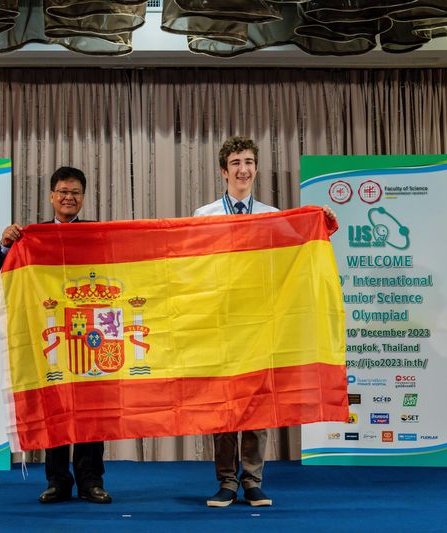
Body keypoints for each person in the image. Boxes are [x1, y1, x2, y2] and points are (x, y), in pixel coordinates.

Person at [194, 136, 335, 508]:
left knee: (258, 405)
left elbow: (298, 252)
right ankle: (226, 481)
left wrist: (318, 223)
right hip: (221, 323)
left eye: (249, 162)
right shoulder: (203, 216)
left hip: (260, 324)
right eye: (236, 162)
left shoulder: (273, 215)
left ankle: (253, 480)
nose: (243, 169)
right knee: (224, 406)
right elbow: (192, 270)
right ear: (224, 171)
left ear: (256, 169)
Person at [0, 166, 111, 505]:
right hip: (51, 333)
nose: (69, 197)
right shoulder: (33, 235)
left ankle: (91, 482)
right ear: (51, 196)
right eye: (63, 191)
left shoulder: (98, 233)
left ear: (83, 198)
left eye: (75, 192)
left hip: (91, 332)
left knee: (90, 411)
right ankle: (58, 482)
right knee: (55, 408)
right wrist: (5, 243)